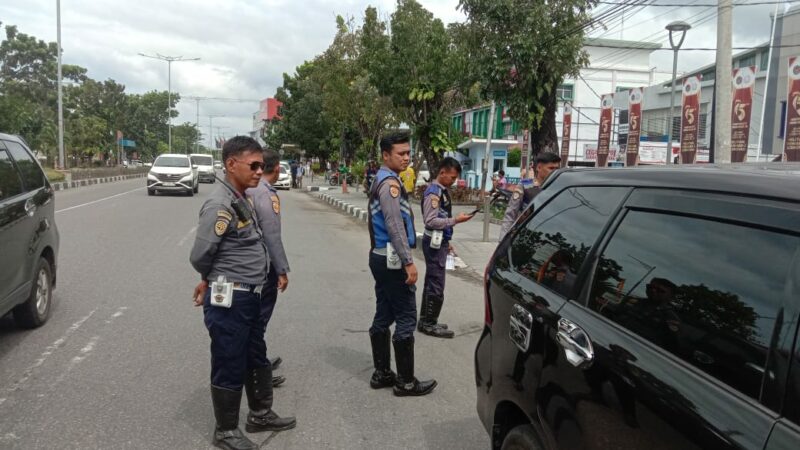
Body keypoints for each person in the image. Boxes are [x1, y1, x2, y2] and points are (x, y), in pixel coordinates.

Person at [189, 136, 292, 450]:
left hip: (249, 294)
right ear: (231, 163)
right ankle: (226, 430)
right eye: (254, 165)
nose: (260, 171)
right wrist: (211, 278)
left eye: (262, 165)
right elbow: (200, 254)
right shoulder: (220, 205)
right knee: (229, 359)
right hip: (231, 296)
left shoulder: (241, 196)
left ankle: (260, 413)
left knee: (253, 352)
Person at [367, 132, 436, 397]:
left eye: (408, 153)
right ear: (386, 155)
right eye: (401, 153)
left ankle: (382, 372)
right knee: (406, 316)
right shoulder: (390, 185)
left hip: (380, 257)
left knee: (384, 312)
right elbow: (395, 225)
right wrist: (409, 262)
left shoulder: (384, 179)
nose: (406, 157)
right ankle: (405, 382)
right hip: (392, 259)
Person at [245, 147, 297, 433]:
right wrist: (282, 269)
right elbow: (272, 236)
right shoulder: (265, 194)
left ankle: (259, 368)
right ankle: (257, 373)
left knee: (254, 326)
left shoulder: (249, 190)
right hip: (262, 270)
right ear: (275, 168)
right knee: (258, 325)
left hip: (249, 270)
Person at [418, 157, 474, 338]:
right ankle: (428, 323)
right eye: (451, 177)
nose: (453, 181)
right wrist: (456, 220)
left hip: (439, 240)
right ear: (442, 172)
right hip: (433, 242)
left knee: (432, 281)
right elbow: (431, 220)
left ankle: (426, 319)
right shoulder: (434, 193)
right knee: (436, 283)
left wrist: (447, 242)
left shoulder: (442, 191)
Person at [499, 152, 562, 240]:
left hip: (549, 238)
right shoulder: (526, 185)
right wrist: (503, 239)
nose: (555, 172)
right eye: (551, 168)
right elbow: (510, 214)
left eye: (557, 168)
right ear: (539, 167)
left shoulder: (559, 187)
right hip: (526, 237)